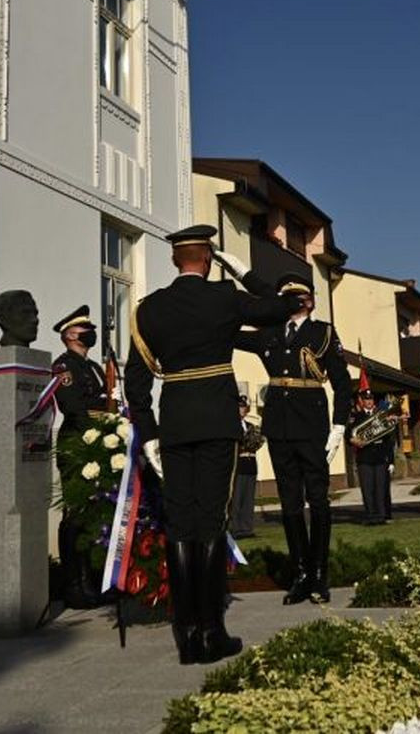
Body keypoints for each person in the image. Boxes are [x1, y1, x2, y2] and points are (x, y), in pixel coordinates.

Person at [123, 226, 302, 664]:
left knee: (180, 524)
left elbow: (136, 379)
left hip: (175, 425)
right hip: (218, 421)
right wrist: (240, 270)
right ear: (207, 258)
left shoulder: (150, 309)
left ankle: (186, 634)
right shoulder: (224, 297)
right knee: (210, 521)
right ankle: (211, 629)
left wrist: (148, 433)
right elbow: (283, 306)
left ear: (173, 260)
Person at [234, 274, 352, 605]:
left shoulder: (323, 333)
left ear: (309, 300)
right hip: (280, 428)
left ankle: (319, 574)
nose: (299, 302)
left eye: (300, 297)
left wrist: (339, 425)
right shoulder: (270, 334)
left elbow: (342, 383)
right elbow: (230, 333)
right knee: (289, 502)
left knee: (318, 499)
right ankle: (300, 573)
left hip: (312, 427)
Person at [50, 305, 111, 609]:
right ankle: (73, 584)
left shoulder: (95, 368)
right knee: (76, 516)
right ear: (70, 335)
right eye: (84, 328)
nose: (91, 332)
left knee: (96, 515)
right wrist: (97, 433)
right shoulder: (64, 366)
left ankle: (95, 580)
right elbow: (72, 407)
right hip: (77, 442)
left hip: (99, 443)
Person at [348, 388, 396, 525]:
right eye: (366, 400)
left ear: (373, 401)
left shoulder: (381, 415)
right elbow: (348, 434)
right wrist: (353, 440)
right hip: (365, 458)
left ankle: (381, 516)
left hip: (380, 457)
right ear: (362, 402)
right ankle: (370, 516)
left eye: (370, 399)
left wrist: (391, 461)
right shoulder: (356, 417)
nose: (369, 402)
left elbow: (389, 440)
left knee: (381, 489)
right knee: (367, 489)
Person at [230, 395, 265, 538]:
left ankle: (247, 528)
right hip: (238, 465)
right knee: (237, 499)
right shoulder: (231, 426)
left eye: (244, 407)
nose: (243, 409)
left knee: (249, 500)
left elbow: (256, 443)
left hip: (250, 465)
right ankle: (236, 529)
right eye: (240, 407)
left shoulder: (250, 426)